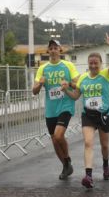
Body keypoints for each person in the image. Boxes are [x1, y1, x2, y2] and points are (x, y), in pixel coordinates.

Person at [61, 33, 109, 189]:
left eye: (96, 63)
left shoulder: (105, 74)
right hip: (88, 115)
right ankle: (88, 176)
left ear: (100, 64)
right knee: (88, 143)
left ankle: (106, 165)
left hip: (104, 114)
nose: (93, 66)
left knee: (105, 146)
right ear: (88, 64)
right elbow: (75, 96)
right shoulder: (82, 78)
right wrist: (66, 90)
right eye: (91, 63)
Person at [32, 39, 80, 180]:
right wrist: (40, 84)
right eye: (51, 48)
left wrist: (69, 84)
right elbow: (34, 91)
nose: (53, 50)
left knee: (59, 135)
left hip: (65, 105)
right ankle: (66, 165)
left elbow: (78, 84)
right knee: (54, 140)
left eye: (55, 47)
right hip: (51, 109)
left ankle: (67, 160)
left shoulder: (68, 65)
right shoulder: (42, 68)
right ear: (48, 51)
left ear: (60, 50)